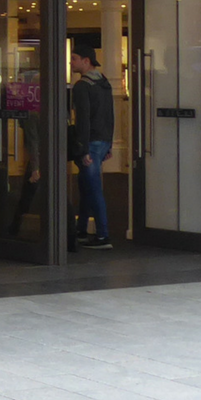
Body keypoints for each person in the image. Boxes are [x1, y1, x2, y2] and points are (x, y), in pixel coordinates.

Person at [70, 45, 114, 249]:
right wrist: (109, 143)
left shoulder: (82, 86)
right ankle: (81, 229)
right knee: (87, 185)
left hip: (90, 142)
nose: (71, 62)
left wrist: (83, 148)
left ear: (86, 61)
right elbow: (110, 114)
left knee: (93, 187)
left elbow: (83, 119)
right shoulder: (104, 83)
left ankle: (103, 235)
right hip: (103, 140)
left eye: (74, 58)